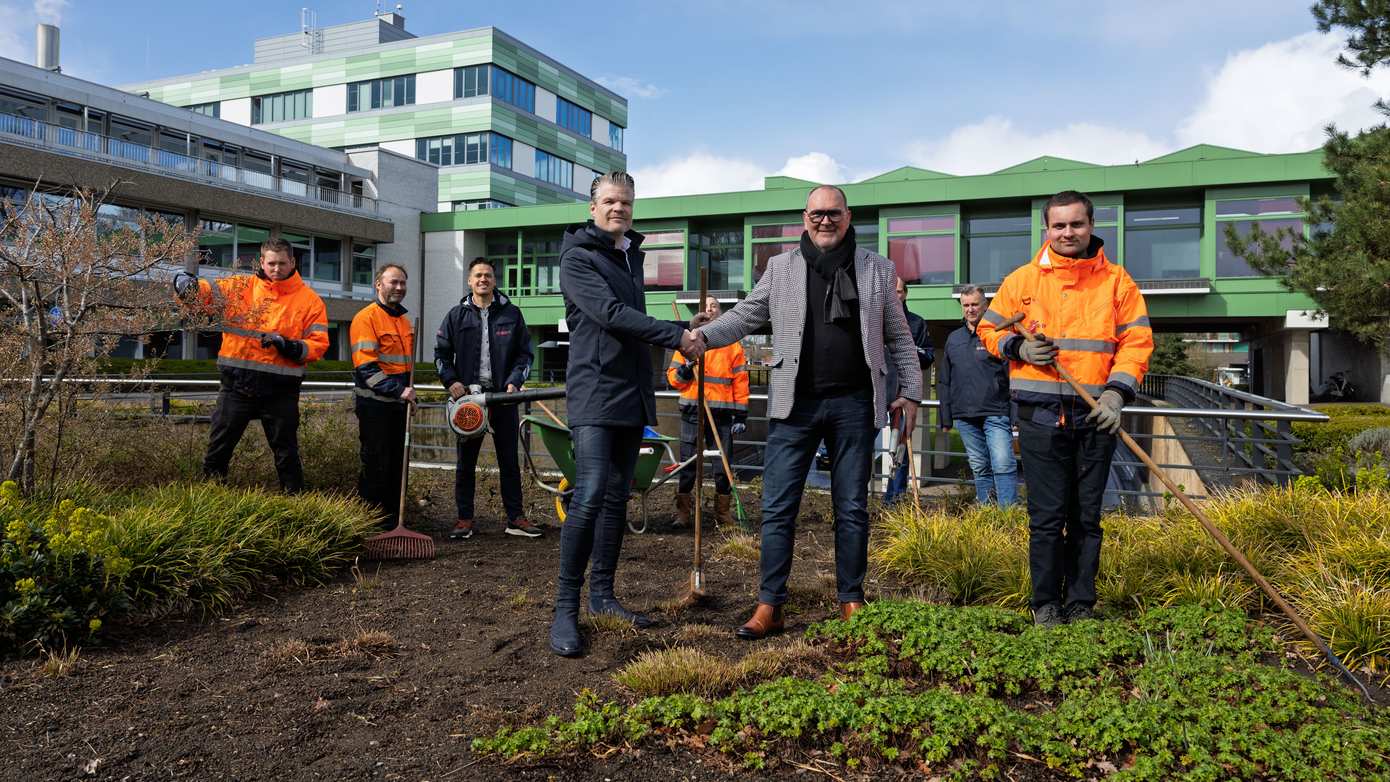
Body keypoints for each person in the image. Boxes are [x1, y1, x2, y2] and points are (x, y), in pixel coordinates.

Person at [696, 184, 921, 640]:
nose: (825, 220)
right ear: (805, 218)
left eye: (833, 213)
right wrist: (701, 337)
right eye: (816, 213)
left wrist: (912, 392)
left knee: (852, 508)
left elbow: (898, 337)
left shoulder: (877, 270)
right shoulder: (780, 268)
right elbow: (744, 315)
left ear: (848, 215)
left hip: (855, 405)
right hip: (793, 405)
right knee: (778, 508)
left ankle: (851, 600)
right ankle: (770, 605)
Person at [976, 190, 1153, 627]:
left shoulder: (1117, 282)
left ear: (1091, 226)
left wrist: (1117, 393)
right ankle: (1045, 606)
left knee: (1087, 519)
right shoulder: (1022, 282)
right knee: (1047, 518)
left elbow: (1137, 342)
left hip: (1097, 416)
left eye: (1076, 224)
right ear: (1047, 228)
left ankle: (1080, 603)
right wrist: (1018, 346)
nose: (1068, 232)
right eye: (1059, 225)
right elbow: (987, 329)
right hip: (1040, 418)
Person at [548, 170, 706, 657]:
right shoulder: (578, 258)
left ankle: (604, 596)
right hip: (595, 393)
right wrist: (676, 336)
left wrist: (689, 327)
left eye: (627, 203)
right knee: (591, 492)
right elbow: (611, 315)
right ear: (592, 207)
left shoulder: (626, 255)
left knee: (617, 496)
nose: (619, 209)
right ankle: (565, 609)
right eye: (611, 201)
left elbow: (631, 325)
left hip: (630, 393)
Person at [174, 238, 328, 493]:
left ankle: (296, 505)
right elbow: (203, 294)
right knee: (218, 450)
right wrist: (182, 282)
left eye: (281, 263)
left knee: (286, 454)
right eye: (271, 263)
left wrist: (288, 346)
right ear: (262, 262)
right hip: (237, 386)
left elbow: (319, 345)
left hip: (281, 391)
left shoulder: (310, 301)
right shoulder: (239, 287)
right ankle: (210, 501)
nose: (276, 268)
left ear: (292, 262)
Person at [434, 257, 541, 540]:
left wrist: (515, 381)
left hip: (502, 399)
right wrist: (452, 381)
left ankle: (515, 519)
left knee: (509, 461)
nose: (483, 279)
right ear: (469, 281)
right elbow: (441, 355)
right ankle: (464, 520)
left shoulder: (512, 314)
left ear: (494, 281)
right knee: (465, 463)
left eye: (488, 276)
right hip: (469, 401)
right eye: (478, 275)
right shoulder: (456, 315)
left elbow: (525, 355)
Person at [667, 296, 749, 528]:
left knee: (722, 465)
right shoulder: (686, 342)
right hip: (692, 410)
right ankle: (683, 512)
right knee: (687, 464)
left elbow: (741, 382)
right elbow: (673, 379)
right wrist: (688, 366)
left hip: (721, 414)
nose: (710, 309)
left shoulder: (732, 345)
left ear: (720, 312)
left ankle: (722, 513)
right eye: (706, 306)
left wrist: (741, 415)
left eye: (714, 306)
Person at [936, 285, 1016, 506]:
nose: (970, 309)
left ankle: (1007, 514)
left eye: (975, 304)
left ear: (985, 306)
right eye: (966, 305)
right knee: (979, 466)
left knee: (1002, 464)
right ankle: (987, 513)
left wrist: (1015, 415)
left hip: (996, 412)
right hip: (964, 415)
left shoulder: (998, 336)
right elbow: (944, 380)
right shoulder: (954, 339)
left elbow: (1013, 376)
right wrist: (946, 417)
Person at [349, 264, 416, 528]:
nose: (399, 287)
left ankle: (392, 522)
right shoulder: (365, 319)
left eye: (402, 283)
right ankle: (370, 522)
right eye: (393, 282)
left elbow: (405, 368)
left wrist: (410, 397)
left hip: (399, 407)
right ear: (379, 284)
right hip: (374, 406)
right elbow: (367, 369)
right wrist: (400, 391)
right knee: (376, 464)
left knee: (396, 466)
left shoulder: (404, 321)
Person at [882, 276, 934, 505]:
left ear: (906, 294)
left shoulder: (917, 323)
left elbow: (928, 357)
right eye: (891, 291)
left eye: (900, 291)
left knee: (901, 449)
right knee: (860, 449)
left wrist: (911, 351)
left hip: (903, 395)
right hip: (876, 394)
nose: (896, 295)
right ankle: (856, 502)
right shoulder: (875, 321)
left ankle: (894, 499)